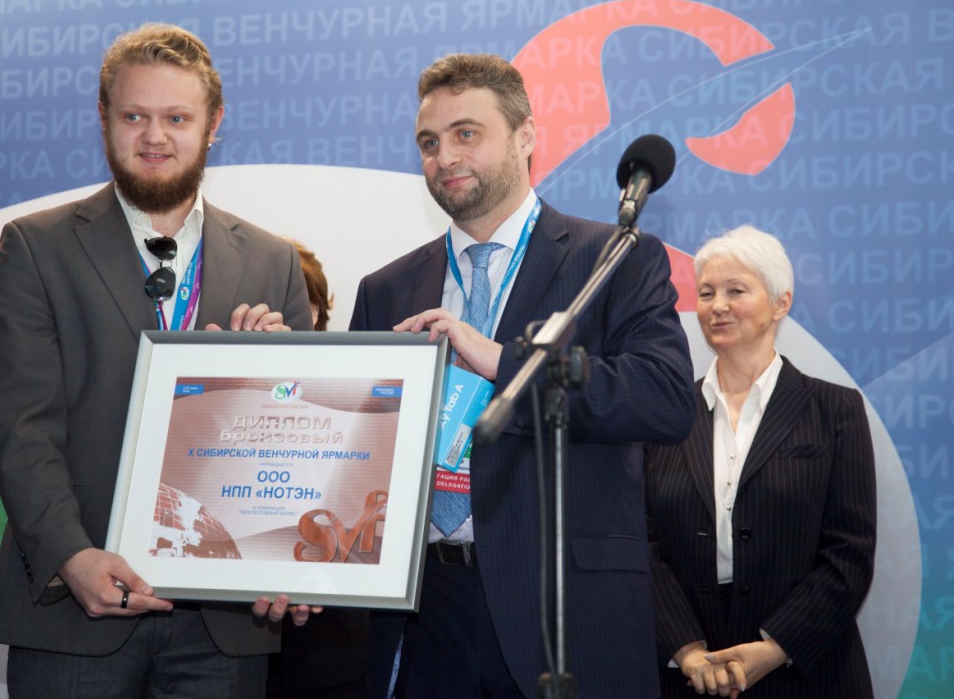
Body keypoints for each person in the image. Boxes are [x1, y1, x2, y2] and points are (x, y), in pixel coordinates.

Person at [0, 23, 316, 699]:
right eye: (134, 116)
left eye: (176, 118)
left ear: (214, 124)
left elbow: (302, 437)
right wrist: (71, 557)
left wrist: (293, 558)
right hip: (78, 613)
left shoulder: (272, 261)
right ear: (104, 119)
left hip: (225, 625)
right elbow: (22, 427)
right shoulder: (36, 248)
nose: (154, 136)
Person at [348, 53, 696, 698]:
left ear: (526, 135)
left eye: (466, 133)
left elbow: (665, 399)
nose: (445, 156)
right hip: (425, 609)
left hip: (563, 612)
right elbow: (358, 455)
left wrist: (502, 361)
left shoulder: (614, 258)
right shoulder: (386, 289)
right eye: (429, 142)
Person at [645, 225, 876, 698]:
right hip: (691, 672)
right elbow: (642, 544)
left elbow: (849, 551)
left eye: (736, 291)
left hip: (806, 670)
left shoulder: (834, 409)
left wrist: (776, 647)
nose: (718, 306)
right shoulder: (665, 415)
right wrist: (687, 650)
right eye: (706, 293)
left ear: (780, 303)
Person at [267, 240, 369, 699]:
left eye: (303, 303)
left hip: (332, 637)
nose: (289, 316)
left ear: (318, 310)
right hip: (245, 636)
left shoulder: (358, 391)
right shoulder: (234, 394)